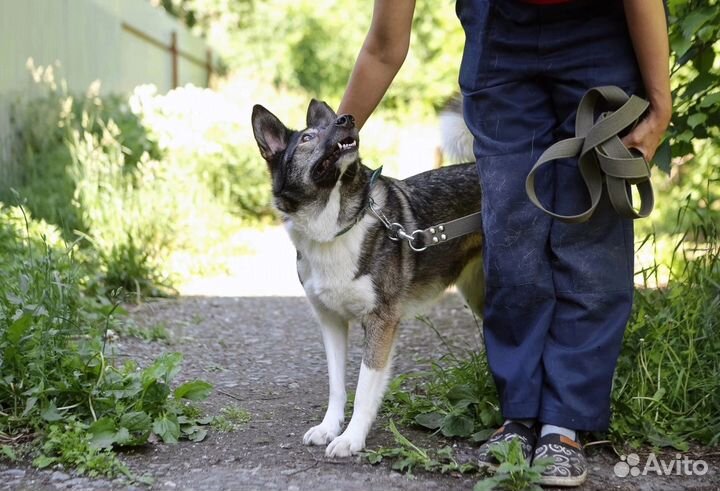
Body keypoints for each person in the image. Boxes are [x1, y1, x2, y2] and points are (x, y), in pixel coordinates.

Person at [337, 0, 671, 486]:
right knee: (511, 232)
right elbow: (385, 46)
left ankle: (566, 422)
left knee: (590, 239)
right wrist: (331, 146)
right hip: (499, 35)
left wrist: (660, 102)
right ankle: (519, 414)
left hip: (600, 32)